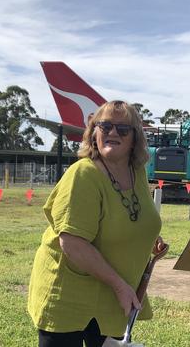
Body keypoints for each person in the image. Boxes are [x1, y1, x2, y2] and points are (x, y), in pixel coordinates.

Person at [27, 100, 168, 347]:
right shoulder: (83, 174)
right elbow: (72, 243)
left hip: (112, 298)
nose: (113, 132)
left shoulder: (137, 172)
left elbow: (131, 218)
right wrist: (120, 286)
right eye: (105, 126)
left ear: (135, 138)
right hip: (70, 297)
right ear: (94, 132)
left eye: (123, 129)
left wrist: (146, 241)